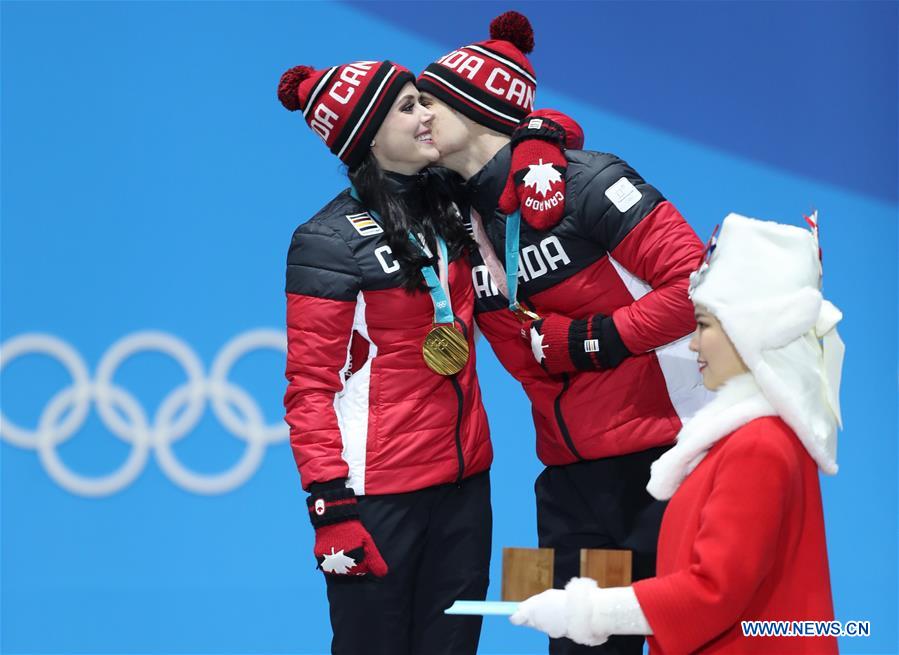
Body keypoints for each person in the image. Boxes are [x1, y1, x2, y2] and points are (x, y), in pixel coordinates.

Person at [416, 11, 711, 654]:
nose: (420, 116)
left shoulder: (588, 183)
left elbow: (697, 289)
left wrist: (591, 340)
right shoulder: (454, 223)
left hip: (667, 462)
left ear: (479, 108)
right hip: (572, 481)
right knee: (583, 650)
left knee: (687, 642)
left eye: (433, 101)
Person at [276, 56, 580, 655]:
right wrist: (329, 507)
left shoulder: (455, 205)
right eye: (407, 107)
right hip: (378, 496)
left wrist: (542, 140)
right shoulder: (327, 240)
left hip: (467, 487)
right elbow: (310, 388)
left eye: (424, 102)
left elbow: (544, 132)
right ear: (366, 133)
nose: (426, 116)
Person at [509, 212, 844, 654]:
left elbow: (712, 592)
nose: (691, 343)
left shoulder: (758, 445)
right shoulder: (744, 439)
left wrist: (586, 611)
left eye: (703, 326)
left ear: (752, 331)